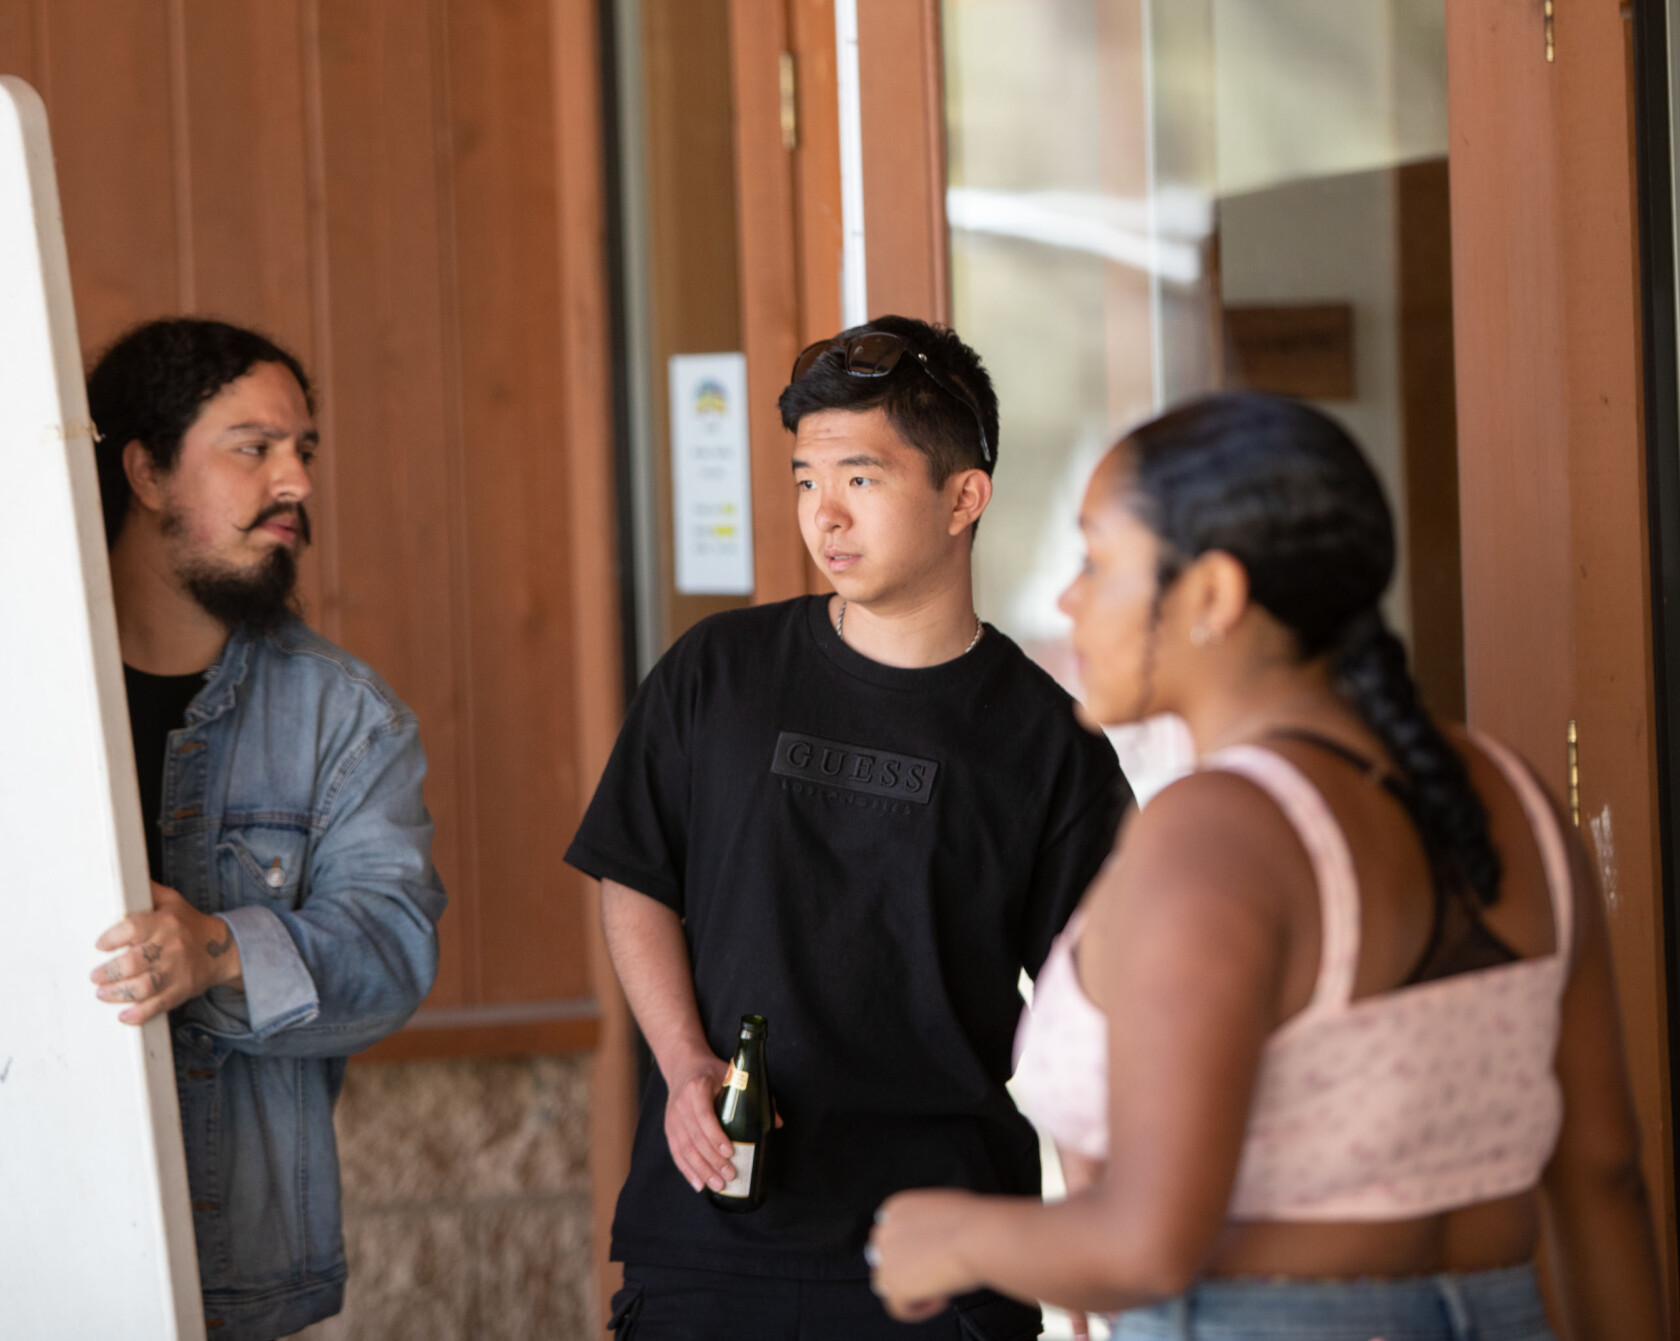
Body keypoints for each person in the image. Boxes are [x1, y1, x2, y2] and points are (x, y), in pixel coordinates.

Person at [867, 392, 1666, 1340]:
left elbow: (1148, 1244)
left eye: (1097, 559)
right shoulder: (1517, 800)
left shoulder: (1216, 834)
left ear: (1212, 593)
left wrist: (949, 1234)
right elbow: (1604, 1178)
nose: (1068, 598)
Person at [566, 315, 1129, 1339]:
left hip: (942, 1256)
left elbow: (1088, 1016)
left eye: (862, 479)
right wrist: (685, 1060)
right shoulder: (716, 673)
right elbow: (635, 872)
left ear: (965, 497)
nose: (824, 515)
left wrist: (1092, 1257)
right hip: (709, 1234)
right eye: (802, 481)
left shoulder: (1051, 744)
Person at [84, 318, 447, 1340]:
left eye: (305, 450)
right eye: (254, 448)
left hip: (232, 1276)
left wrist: (215, 950)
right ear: (148, 470)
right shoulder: (29, 684)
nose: (295, 482)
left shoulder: (346, 715)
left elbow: (393, 947)